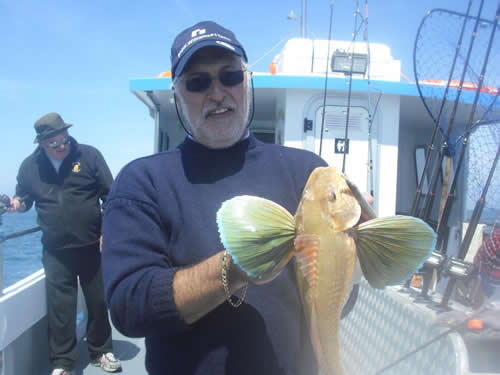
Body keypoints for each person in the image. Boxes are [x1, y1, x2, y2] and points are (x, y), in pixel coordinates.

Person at [101, 21, 363, 375]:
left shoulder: (308, 173)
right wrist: (236, 267)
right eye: (198, 82)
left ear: (247, 82)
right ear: (177, 94)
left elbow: (338, 301)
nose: (217, 92)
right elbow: (129, 307)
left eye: (230, 76)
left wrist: (360, 243)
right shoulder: (142, 182)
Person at [8, 112, 122, 375]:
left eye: (65, 140)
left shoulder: (89, 156)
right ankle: (62, 362)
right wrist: (16, 204)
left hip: (94, 244)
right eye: (55, 143)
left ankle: (102, 351)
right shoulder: (30, 166)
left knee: (97, 301)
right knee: (61, 308)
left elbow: (111, 196)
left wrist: (108, 232)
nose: (62, 147)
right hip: (56, 250)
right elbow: (24, 198)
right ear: (41, 143)